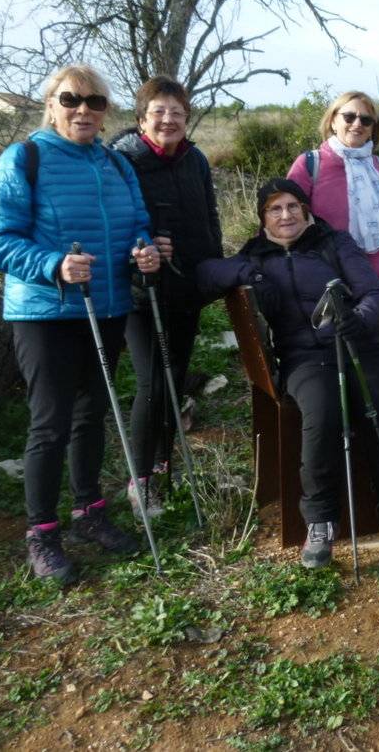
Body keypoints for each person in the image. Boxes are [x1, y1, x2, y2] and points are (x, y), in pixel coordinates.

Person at [0, 63, 161, 584]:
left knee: (90, 415)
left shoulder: (116, 165)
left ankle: (89, 512)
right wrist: (52, 264)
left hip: (103, 307)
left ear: (107, 111)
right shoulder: (25, 158)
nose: (83, 110)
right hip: (45, 312)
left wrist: (144, 250)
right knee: (50, 422)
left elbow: (137, 224)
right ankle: (42, 532)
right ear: (52, 104)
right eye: (71, 100)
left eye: (95, 102)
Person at [196, 179, 379, 567]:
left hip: (360, 348)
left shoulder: (335, 243)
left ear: (305, 209)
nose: (286, 215)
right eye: (275, 209)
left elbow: (374, 295)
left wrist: (358, 320)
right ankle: (320, 524)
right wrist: (248, 272)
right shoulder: (257, 255)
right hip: (305, 358)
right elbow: (206, 274)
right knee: (322, 417)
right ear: (262, 217)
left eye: (292, 206)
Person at [110, 77, 222, 518]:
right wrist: (140, 248)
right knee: (152, 383)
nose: (168, 120)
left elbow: (209, 214)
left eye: (177, 112)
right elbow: (113, 223)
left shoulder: (194, 159)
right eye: (159, 111)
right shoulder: (123, 161)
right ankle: (140, 482)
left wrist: (212, 265)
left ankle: (163, 464)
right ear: (141, 119)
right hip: (142, 290)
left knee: (174, 379)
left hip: (186, 286)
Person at [287, 91, 379, 322]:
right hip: (327, 284)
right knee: (331, 358)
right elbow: (282, 223)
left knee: (376, 357)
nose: (357, 124)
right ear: (333, 121)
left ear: (372, 128)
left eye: (366, 119)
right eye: (349, 117)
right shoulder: (310, 165)